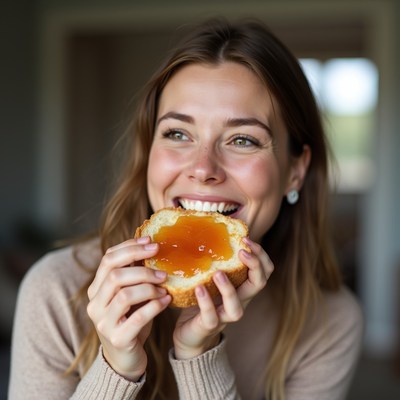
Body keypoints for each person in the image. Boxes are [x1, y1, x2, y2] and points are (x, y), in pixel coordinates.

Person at [8, 18, 363, 400]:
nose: (202, 168)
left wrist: (200, 356)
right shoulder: (56, 293)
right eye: (178, 133)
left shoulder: (330, 322)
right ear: (148, 152)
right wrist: (114, 369)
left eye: (242, 139)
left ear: (296, 171)